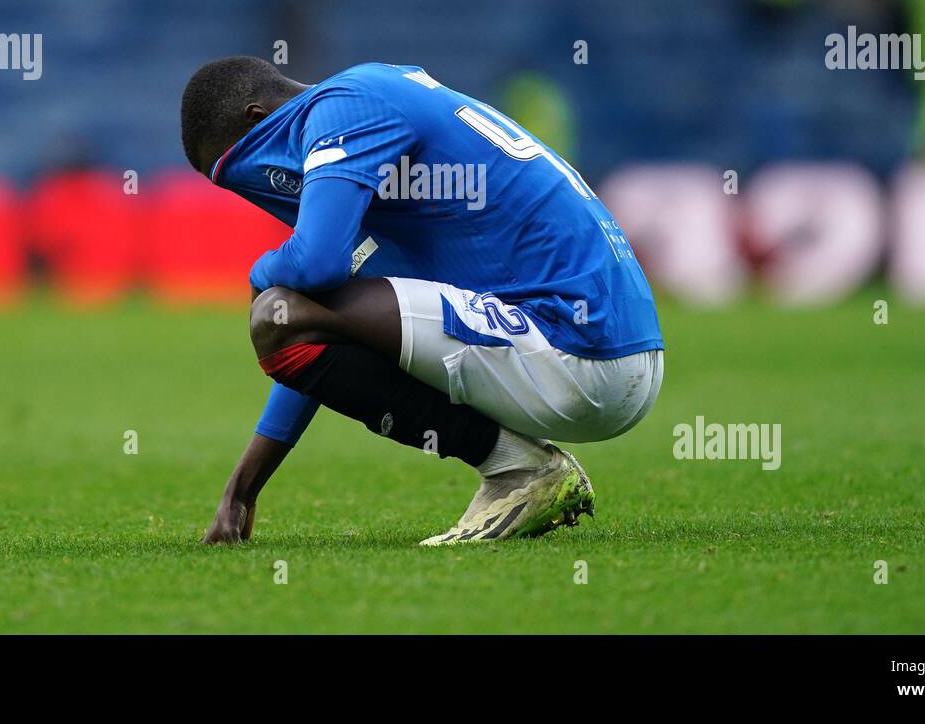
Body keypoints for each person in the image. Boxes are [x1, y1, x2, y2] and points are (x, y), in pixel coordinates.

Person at [180, 56, 665, 545]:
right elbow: (313, 332)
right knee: (289, 314)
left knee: (277, 310)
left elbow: (314, 266)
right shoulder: (369, 100)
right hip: (604, 349)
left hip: (576, 349)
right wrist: (242, 489)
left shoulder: (342, 111)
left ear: (258, 118)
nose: (253, 189)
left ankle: (520, 470)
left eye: (237, 171)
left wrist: (260, 274)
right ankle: (519, 466)